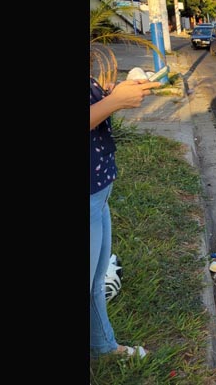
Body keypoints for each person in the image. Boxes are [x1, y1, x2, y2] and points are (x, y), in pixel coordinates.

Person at [90, 75, 162, 358]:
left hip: (98, 195)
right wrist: (115, 100)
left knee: (96, 282)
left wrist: (112, 96)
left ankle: (103, 347)